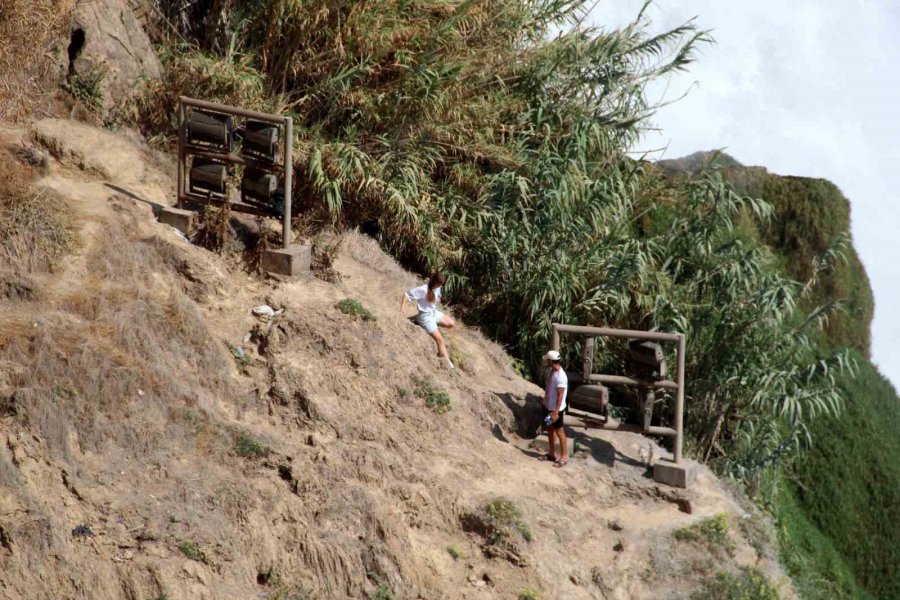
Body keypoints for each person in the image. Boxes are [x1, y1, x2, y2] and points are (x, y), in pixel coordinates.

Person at [400, 272, 456, 369]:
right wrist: (401, 310)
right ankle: (447, 363)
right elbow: (406, 295)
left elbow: (436, 296)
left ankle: (420, 322)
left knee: (451, 323)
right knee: (440, 340)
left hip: (433, 313)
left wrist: (437, 299)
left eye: (442, 284)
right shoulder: (423, 289)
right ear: (435, 281)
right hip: (425, 316)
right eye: (439, 283)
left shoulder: (437, 287)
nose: (441, 286)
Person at [540, 349, 568, 467]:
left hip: (556, 409)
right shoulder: (551, 371)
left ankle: (564, 457)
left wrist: (556, 411)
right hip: (548, 406)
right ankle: (552, 454)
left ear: (551, 361)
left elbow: (560, 396)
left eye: (547, 360)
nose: (546, 362)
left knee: (560, 432)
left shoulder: (560, 376)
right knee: (551, 430)